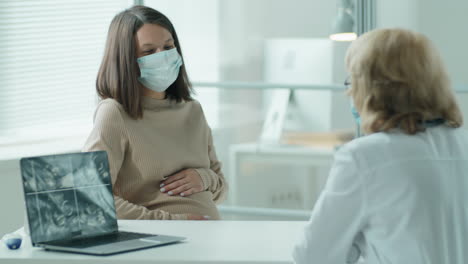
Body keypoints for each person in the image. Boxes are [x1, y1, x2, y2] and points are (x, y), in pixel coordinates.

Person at [293, 28, 468, 263]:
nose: (349, 92)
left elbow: (313, 257)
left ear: (371, 88)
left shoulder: (365, 158)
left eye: (352, 81)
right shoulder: (462, 142)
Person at [83, 5, 227, 220]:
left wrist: (204, 178)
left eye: (169, 47)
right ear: (126, 59)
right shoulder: (114, 114)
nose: (163, 57)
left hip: (209, 237)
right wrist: (174, 222)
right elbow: (92, 194)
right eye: (149, 51)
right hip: (160, 242)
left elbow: (221, 188)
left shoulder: (193, 110)